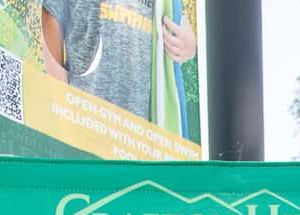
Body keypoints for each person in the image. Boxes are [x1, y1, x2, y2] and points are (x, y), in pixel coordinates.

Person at [40, 0, 196, 134]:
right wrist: (62, 105)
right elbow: (52, 13)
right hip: (87, 114)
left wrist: (189, 43)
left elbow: (174, 14)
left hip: (145, 128)